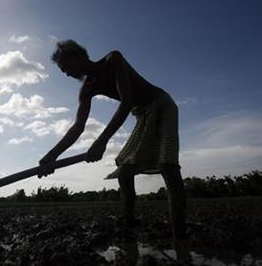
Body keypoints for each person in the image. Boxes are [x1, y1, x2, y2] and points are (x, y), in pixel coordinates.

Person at [38, 39, 189, 261]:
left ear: (78, 56)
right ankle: (129, 230)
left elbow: (126, 101)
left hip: (161, 103)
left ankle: (181, 238)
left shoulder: (113, 59)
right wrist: (51, 156)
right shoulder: (86, 90)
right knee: (125, 170)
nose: (67, 73)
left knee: (167, 165)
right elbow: (78, 127)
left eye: (66, 66)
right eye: (63, 71)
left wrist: (101, 141)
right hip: (142, 114)